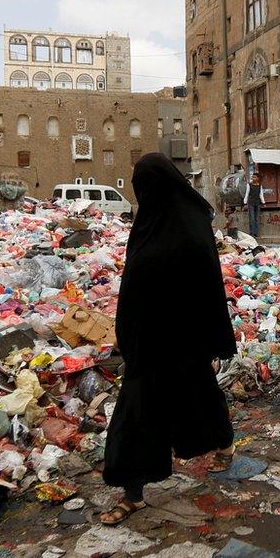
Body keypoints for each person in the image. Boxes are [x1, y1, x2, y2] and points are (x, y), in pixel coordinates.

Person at [100, 153, 237, 525]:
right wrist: (126, 336)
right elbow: (132, 286)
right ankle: (133, 493)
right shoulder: (147, 223)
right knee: (136, 412)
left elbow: (210, 286)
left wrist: (216, 340)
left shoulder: (192, 225)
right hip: (149, 342)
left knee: (199, 397)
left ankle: (224, 442)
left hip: (186, 339)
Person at [242, 170, 266, 237]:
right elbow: (247, 194)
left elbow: (261, 194)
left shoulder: (260, 186)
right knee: (252, 218)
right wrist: (245, 202)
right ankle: (252, 233)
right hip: (251, 203)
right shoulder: (249, 185)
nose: (253, 178)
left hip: (257, 203)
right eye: (252, 177)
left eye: (254, 177)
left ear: (258, 178)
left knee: (257, 218)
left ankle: (256, 233)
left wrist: (263, 202)